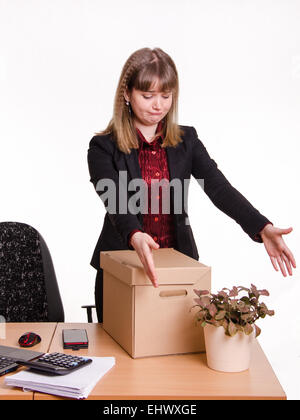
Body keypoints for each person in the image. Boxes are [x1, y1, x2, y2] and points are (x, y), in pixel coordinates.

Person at [88, 47, 296, 323]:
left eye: (166, 95)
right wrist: (135, 234)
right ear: (127, 94)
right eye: (147, 95)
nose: (158, 105)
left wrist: (261, 227)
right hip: (122, 267)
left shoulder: (187, 140)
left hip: (179, 266)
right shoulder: (102, 147)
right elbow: (114, 201)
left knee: (179, 354)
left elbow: (219, 188)